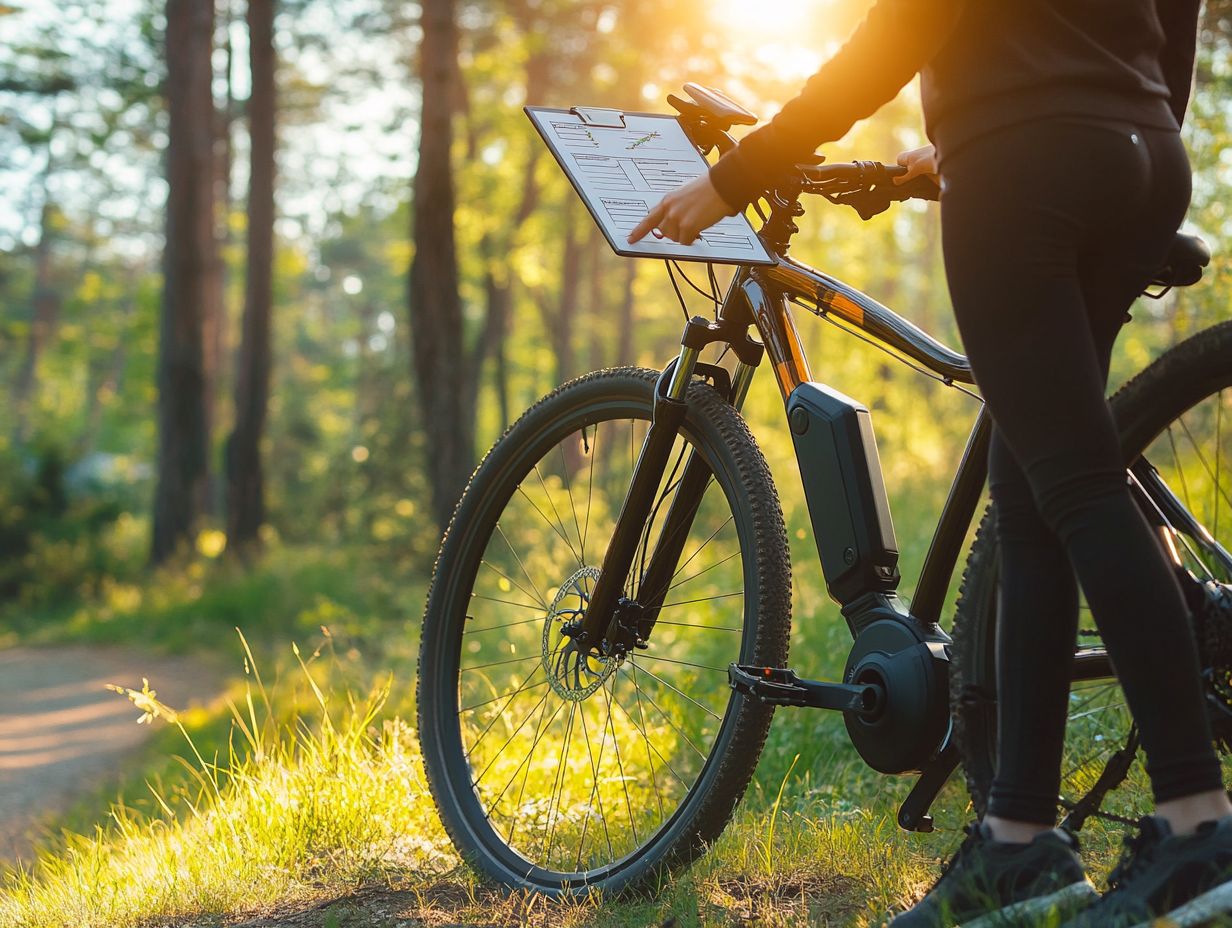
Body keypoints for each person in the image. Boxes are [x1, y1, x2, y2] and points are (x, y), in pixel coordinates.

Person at [629, 2, 1231, 926]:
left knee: (1072, 486)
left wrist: (738, 174)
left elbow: (905, 26)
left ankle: (1197, 827)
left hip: (1026, 158)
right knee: (1033, 497)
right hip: (1144, 152)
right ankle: (1019, 844)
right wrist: (1125, 116)